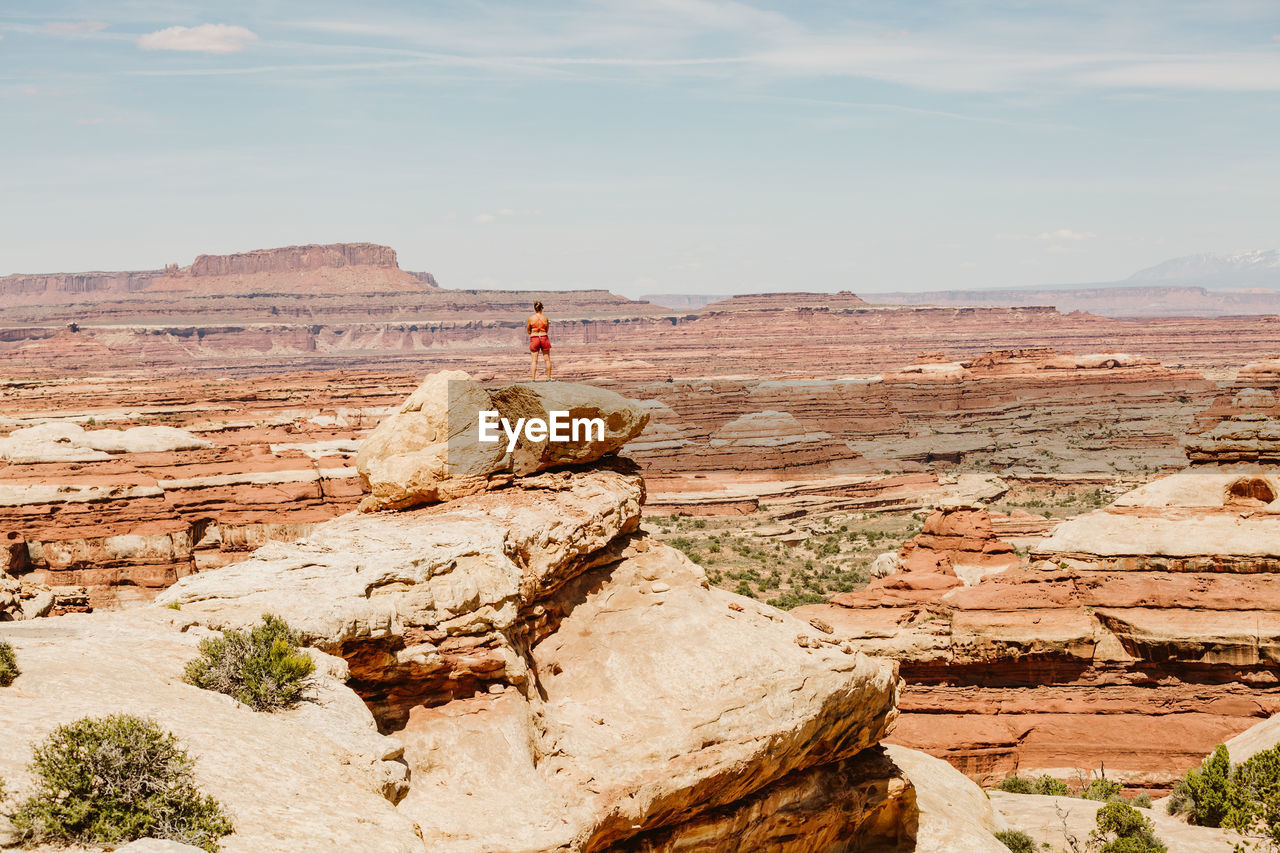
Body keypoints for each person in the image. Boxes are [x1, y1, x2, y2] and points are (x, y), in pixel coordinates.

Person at [527, 301, 552, 381]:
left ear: (535, 309)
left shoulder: (531, 318)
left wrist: (534, 332)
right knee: (547, 359)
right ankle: (548, 378)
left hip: (534, 338)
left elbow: (528, 330)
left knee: (534, 360)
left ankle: (533, 379)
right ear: (541, 308)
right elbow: (547, 329)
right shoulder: (545, 318)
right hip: (544, 337)